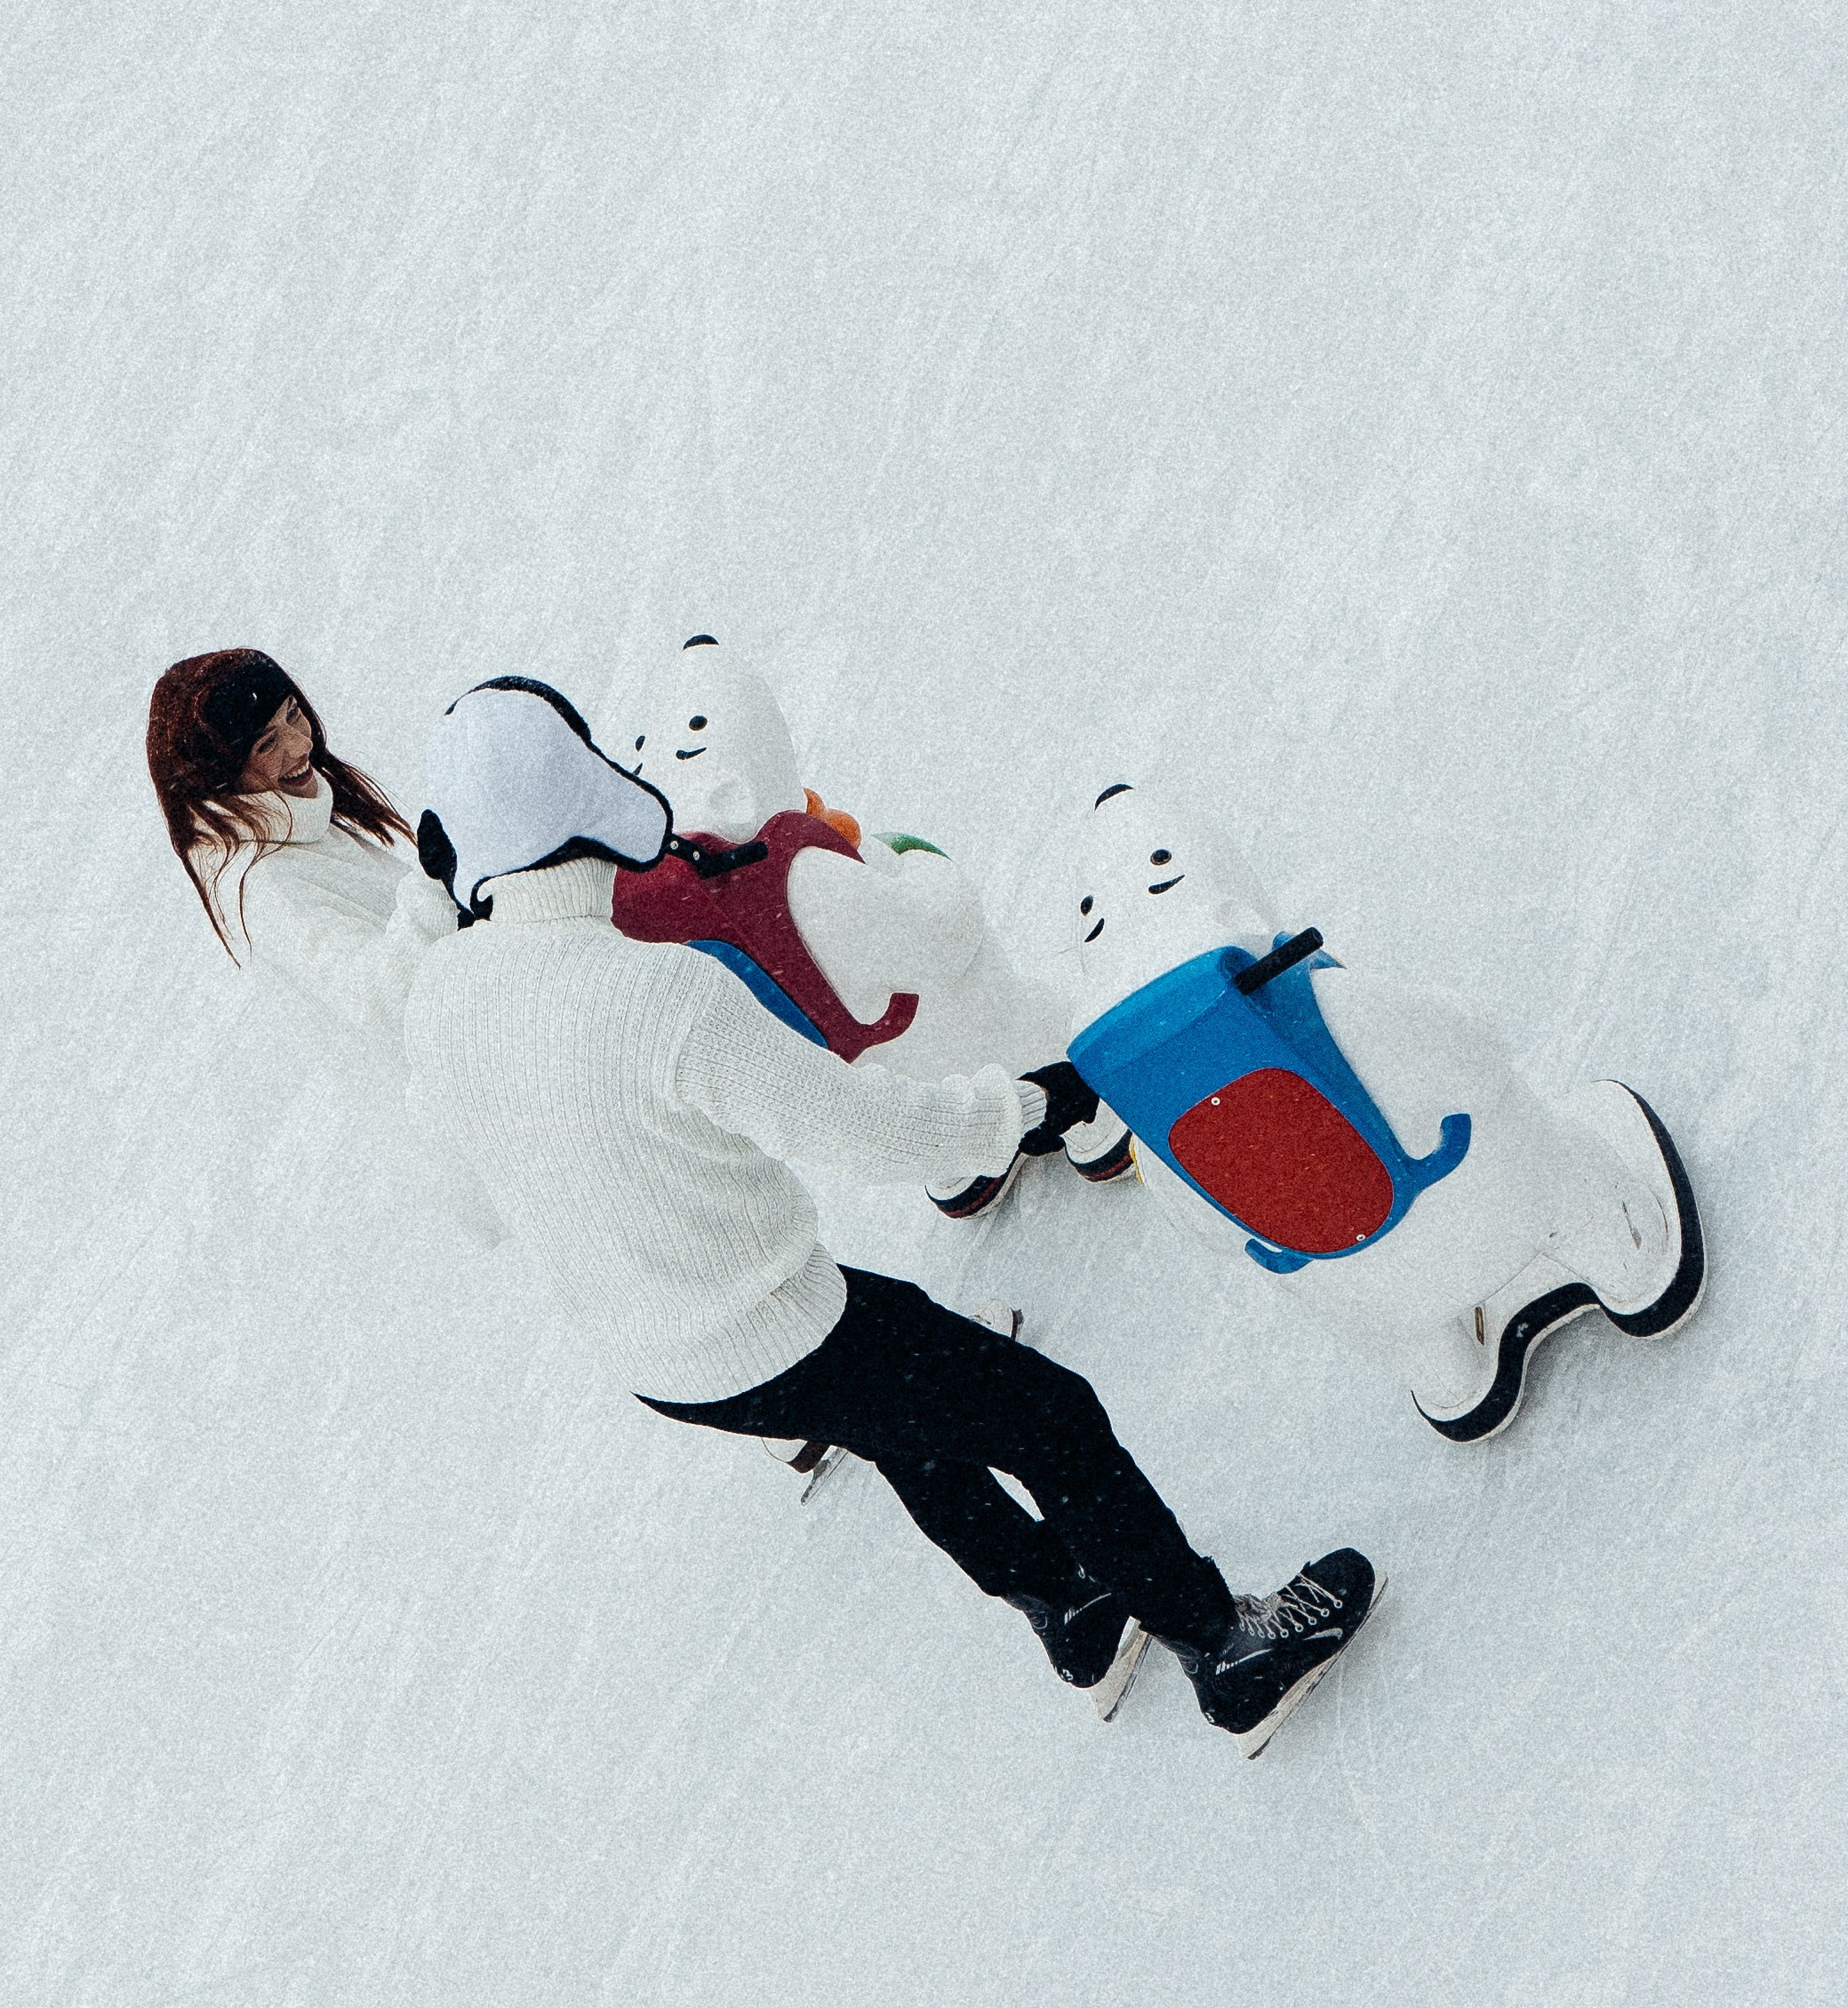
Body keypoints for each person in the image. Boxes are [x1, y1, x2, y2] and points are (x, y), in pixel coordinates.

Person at [403, 678, 1381, 1756]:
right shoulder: (659, 1000)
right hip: (767, 1324)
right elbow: (872, 1132)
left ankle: (1076, 1613)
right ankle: (1223, 1647)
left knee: (905, 1424)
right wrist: (1024, 1103)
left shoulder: (445, 996)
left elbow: (466, 1199)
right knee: (1050, 1417)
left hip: (655, 1358)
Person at [1068, 780, 1704, 1440]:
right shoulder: (1327, 1003)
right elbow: (1477, 1050)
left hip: (1367, 1293)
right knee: (1548, 1159)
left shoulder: (1152, 1135)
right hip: (1495, 1202)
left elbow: (1213, 1231)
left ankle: (1450, 1378)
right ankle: (1626, 1255)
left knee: (1390, 1309)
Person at [615, 634, 1132, 1214]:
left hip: (852, 1060)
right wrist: (920, 861)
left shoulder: (650, 912)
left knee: (923, 1094)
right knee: (1027, 1030)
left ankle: (958, 1164)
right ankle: (1093, 1114)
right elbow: (941, 936)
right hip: (932, 1015)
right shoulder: (800, 878)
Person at [144, 646, 500, 1241]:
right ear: (222, 772)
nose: (296, 743)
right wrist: (434, 883)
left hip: (484, 1076)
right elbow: (376, 995)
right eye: (265, 744)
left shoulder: (296, 823)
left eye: (292, 713)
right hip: (474, 1127)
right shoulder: (265, 885)